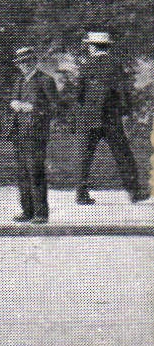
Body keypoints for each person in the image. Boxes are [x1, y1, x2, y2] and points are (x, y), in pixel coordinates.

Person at [73, 31, 147, 205]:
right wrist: (125, 112)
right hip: (110, 118)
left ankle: (81, 194)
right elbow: (123, 92)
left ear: (92, 46)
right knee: (123, 154)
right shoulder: (114, 65)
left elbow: (79, 94)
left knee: (84, 156)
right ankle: (134, 192)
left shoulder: (86, 65)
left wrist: (82, 112)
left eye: (89, 46)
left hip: (88, 118)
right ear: (107, 46)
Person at [9, 46, 59, 224]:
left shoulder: (45, 80)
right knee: (22, 172)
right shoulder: (19, 81)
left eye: (26, 62)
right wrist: (14, 104)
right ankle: (27, 210)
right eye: (20, 63)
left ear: (33, 62)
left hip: (36, 133)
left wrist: (34, 109)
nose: (23, 66)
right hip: (19, 132)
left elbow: (55, 107)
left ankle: (41, 213)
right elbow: (14, 101)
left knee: (36, 171)